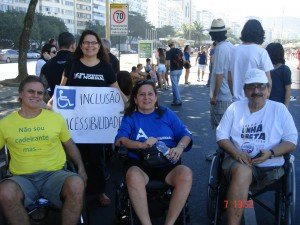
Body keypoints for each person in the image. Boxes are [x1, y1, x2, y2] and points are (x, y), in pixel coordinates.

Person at [0, 76, 87, 225]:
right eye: (31, 91)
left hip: (55, 175)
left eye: (40, 93)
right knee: (5, 191)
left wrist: (81, 168)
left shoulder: (55, 119)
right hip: (22, 178)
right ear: (20, 94)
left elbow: (70, 145)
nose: (35, 95)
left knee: (76, 183)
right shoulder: (5, 123)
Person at [216, 68, 298, 225]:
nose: (256, 91)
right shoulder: (235, 108)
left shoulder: (279, 109)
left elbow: (291, 141)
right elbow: (221, 136)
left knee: (243, 173)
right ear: (245, 91)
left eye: (261, 86)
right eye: (251, 87)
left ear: (268, 90)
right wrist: (236, 153)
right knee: (242, 171)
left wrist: (271, 152)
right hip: (238, 161)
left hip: (270, 166)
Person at [60, 30, 127, 207]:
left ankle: (99, 191)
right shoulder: (72, 64)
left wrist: (130, 106)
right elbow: (62, 90)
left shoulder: (105, 67)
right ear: (80, 45)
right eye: (86, 42)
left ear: (99, 46)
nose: (90, 46)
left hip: (97, 125)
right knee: (76, 159)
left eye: (94, 42)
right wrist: (49, 105)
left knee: (97, 158)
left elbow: (116, 90)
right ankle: (77, 192)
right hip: (74, 122)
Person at [115, 79, 193, 225]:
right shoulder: (130, 117)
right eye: (142, 95)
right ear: (135, 99)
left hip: (167, 162)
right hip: (140, 163)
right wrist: (141, 145)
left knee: (186, 173)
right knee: (132, 175)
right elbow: (120, 140)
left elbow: (186, 135)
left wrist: (179, 147)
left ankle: (169, 223)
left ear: (156, 98)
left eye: (150, 94)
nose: (146, 98)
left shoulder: (167, 114)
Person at [205, 19, 234, 161]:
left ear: (213, 35)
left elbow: (219, 75)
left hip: (221, 96)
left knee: (220, 129)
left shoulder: (220, 49)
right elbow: (230, 75)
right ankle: (223, 153)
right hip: (228, 95)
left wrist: (214, 96)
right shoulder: (230, 46)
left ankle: (222, 155)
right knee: (227, 128)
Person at [229, 19, 273, 101]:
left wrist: (235, 93)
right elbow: (268, 79)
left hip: (237, 101)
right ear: (260, 34)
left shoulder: (233, 51)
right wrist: (267, 95)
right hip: (256, 101)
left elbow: (229, 78)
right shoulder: (261, 52)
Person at [41, 32, 76, 97]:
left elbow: (41, 88)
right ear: (73, 45)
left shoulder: (46, 65)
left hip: (54, 102)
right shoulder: (79, 63)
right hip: (76, 103)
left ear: (58, 45)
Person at [266, 42, 292, 107]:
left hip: (279, 104)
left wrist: (286, 107)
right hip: (266, 103)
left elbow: (288, 90)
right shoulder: (266, 69)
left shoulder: (284, 69)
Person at [166, 41, 184, 106]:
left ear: (169, 46)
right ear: (174, 45)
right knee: (175, 85)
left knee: (175, 86)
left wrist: (167, 70)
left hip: (173, 70)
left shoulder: (168, 52)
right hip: (180, 69)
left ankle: (178, 100)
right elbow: (183, 59)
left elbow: (168, 63)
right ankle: (175, 99)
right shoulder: (179, 50)